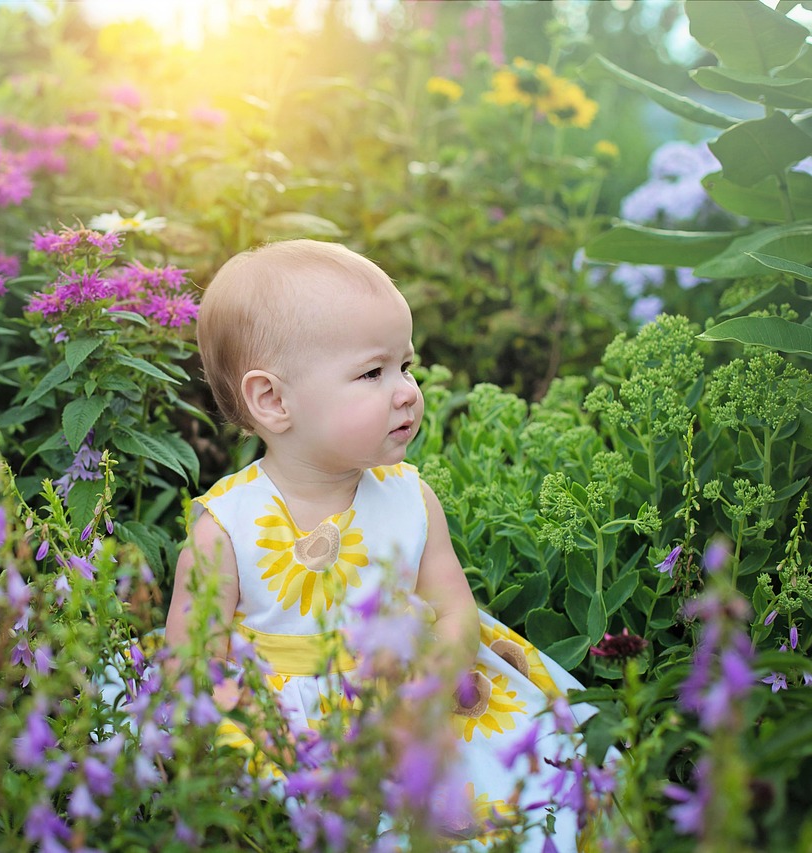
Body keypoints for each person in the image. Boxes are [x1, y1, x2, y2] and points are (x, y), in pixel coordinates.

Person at [164, 239, 593, 850]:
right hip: (285, 718)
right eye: (372, 372)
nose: (406, 392)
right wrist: (260, 734)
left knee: (518, 797)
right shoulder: (224, 528)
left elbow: (453, 609)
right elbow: (193, 662)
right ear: (274, 400)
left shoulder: (410, 498)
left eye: (406, 366)